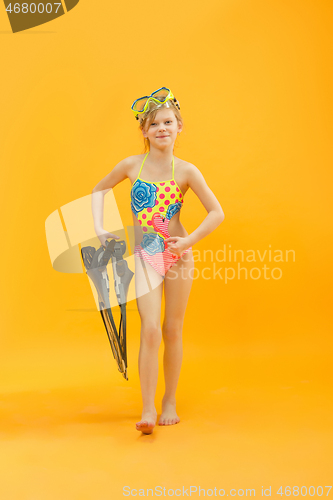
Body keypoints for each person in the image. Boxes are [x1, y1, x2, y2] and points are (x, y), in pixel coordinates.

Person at [91, 87, 224, 434]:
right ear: (145, 131)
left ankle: (169, 401)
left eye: (168, 122)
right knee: (150, 330)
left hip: (177, 256)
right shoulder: (131, 166)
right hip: (145, 256)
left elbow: (217, 213)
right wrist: (101, 229)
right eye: (154, 124)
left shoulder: (187, 172)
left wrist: (188, 242)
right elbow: (99, 189)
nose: (162, 128)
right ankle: (147, 408)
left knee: (172, 328)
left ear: (179, 126)